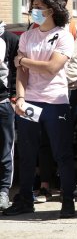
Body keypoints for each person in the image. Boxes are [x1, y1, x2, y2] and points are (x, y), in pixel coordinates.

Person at [3, 0, 76, 218]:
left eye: (38, 6)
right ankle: (25, 199)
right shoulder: (27, 37)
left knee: (61, 153)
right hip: (30, 102)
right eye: (32, 6)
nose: (33, 10)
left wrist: (22, 60)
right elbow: (21, 73)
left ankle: (68, 200)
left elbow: (53, 67)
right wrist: (21, 98)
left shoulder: (63, 36)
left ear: (51, 11)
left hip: (55, 103)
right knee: (27, 152)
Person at [32, 0, 77, 202]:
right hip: (37, 94)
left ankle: (66, 189)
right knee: (42, 140)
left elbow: (75, 64)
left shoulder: (74, 29)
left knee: (64, 142)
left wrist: (62, 80)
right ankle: (44, 183)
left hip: (65, 92)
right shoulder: (35, 27)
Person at [0, 26, 16, 211]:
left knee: (6, 148)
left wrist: (13, 97)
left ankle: (4, 191)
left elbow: (16, 71)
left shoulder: (10, 39)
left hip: (4, 102)